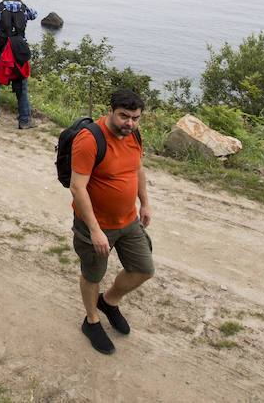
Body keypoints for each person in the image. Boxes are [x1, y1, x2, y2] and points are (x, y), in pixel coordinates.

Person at [69, 87, 154, 355]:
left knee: (143, 268)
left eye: (136, 117)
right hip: (96, 224)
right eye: (124, 116)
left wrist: (145, 202)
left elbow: (137, 167)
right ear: (110, 111)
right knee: (93, 274)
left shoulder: (134, 134)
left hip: (128, 219)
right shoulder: (89, 139)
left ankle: (109, 301)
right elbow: (77, 188)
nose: (130, 123)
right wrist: (95, 231)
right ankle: (91, 320)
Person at [0, 0, 39, 129]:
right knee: (21, 82)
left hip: (1, 49)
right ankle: (24, 119)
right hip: (18, 50)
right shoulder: (23, 8)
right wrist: (22, 2)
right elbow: (34, 15)